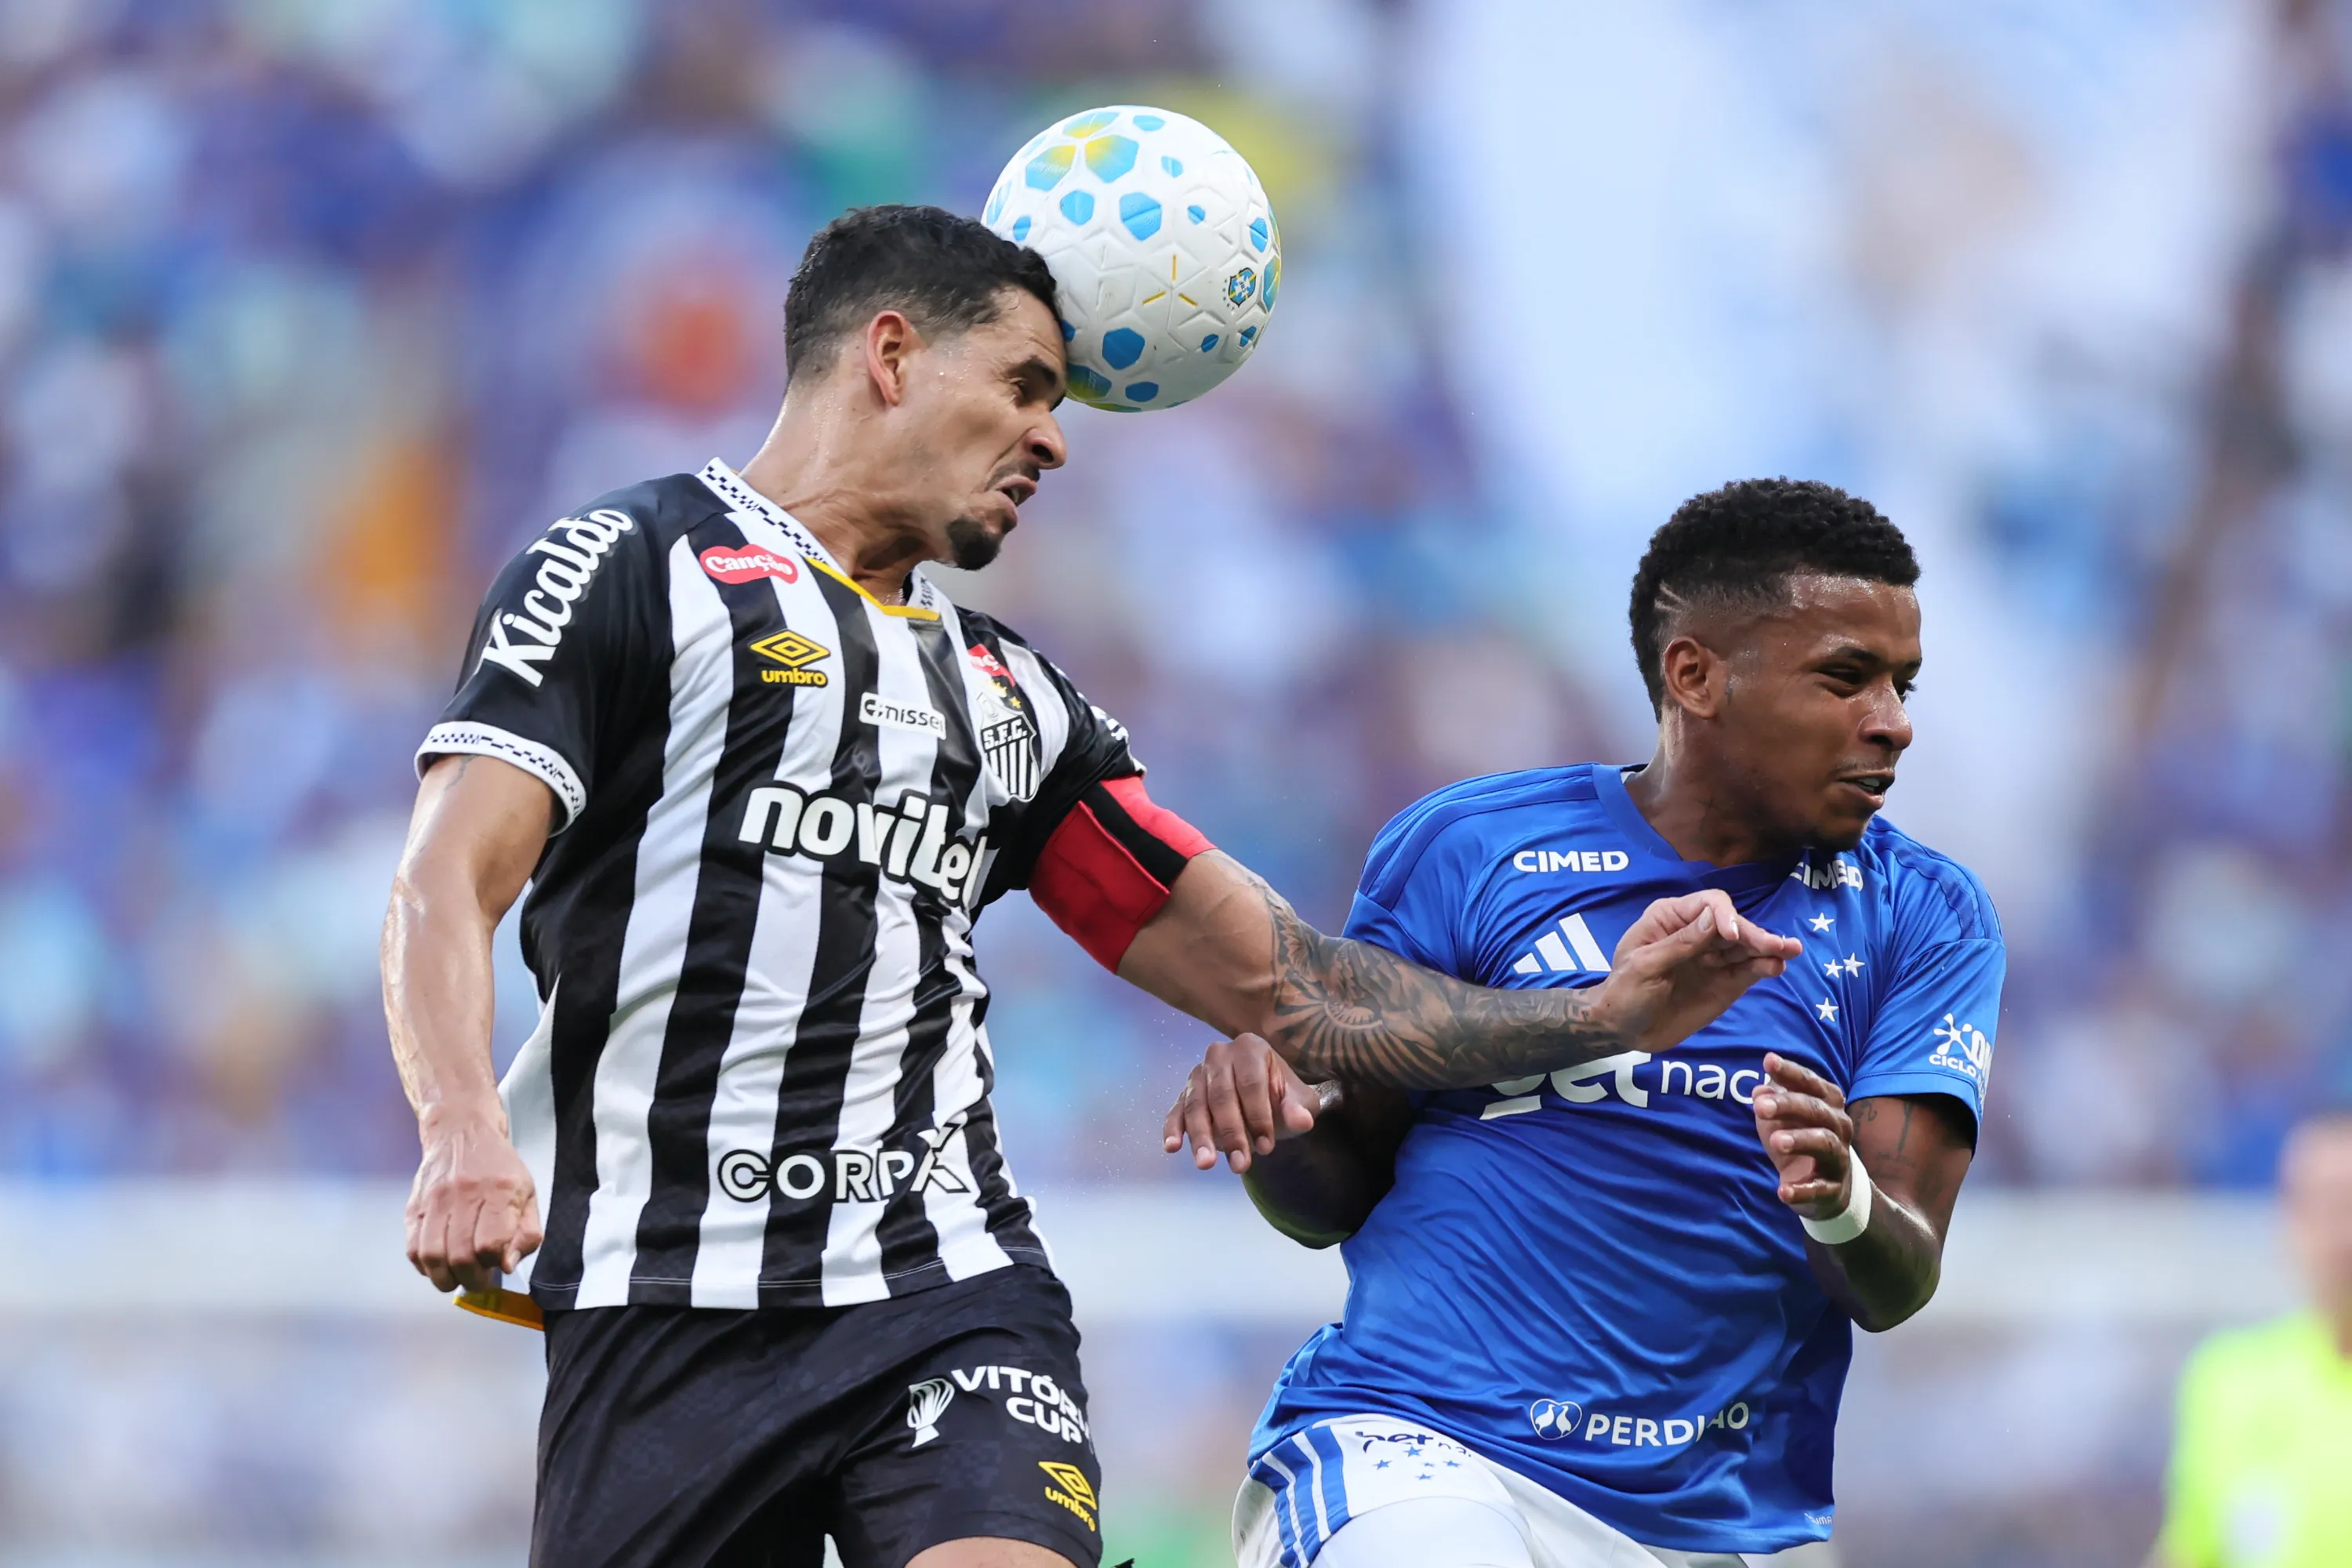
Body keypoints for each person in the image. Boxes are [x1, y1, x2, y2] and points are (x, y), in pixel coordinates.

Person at [379, 205, 1799, 1568]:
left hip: (944, 1292)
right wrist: (460, 1132)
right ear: (891, 355)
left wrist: (1598, 1014)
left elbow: (1287, 984)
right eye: (1025, 387)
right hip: (663, 1304)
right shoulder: (630, 568)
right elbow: (447, 877)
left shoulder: (1012, 701)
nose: (1055, 438)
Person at [1164, 479, 2005, 1568]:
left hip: (1723, 1522)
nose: (1893, 721)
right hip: (1428, 1450)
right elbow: (1337, 1191)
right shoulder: (1471, 848)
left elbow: (1895, 1282)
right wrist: (1274, 1124)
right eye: (1847, 678)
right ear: (1695, 675)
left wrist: (1839, 1194)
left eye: (1902, 683)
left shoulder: (1927, 914)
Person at [2151, 1107, 2352, 1568]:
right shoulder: (2227, 1381)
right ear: (2289, 1221)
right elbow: (2190, 1551)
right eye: (2325, 1205)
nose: (2344, 1233)